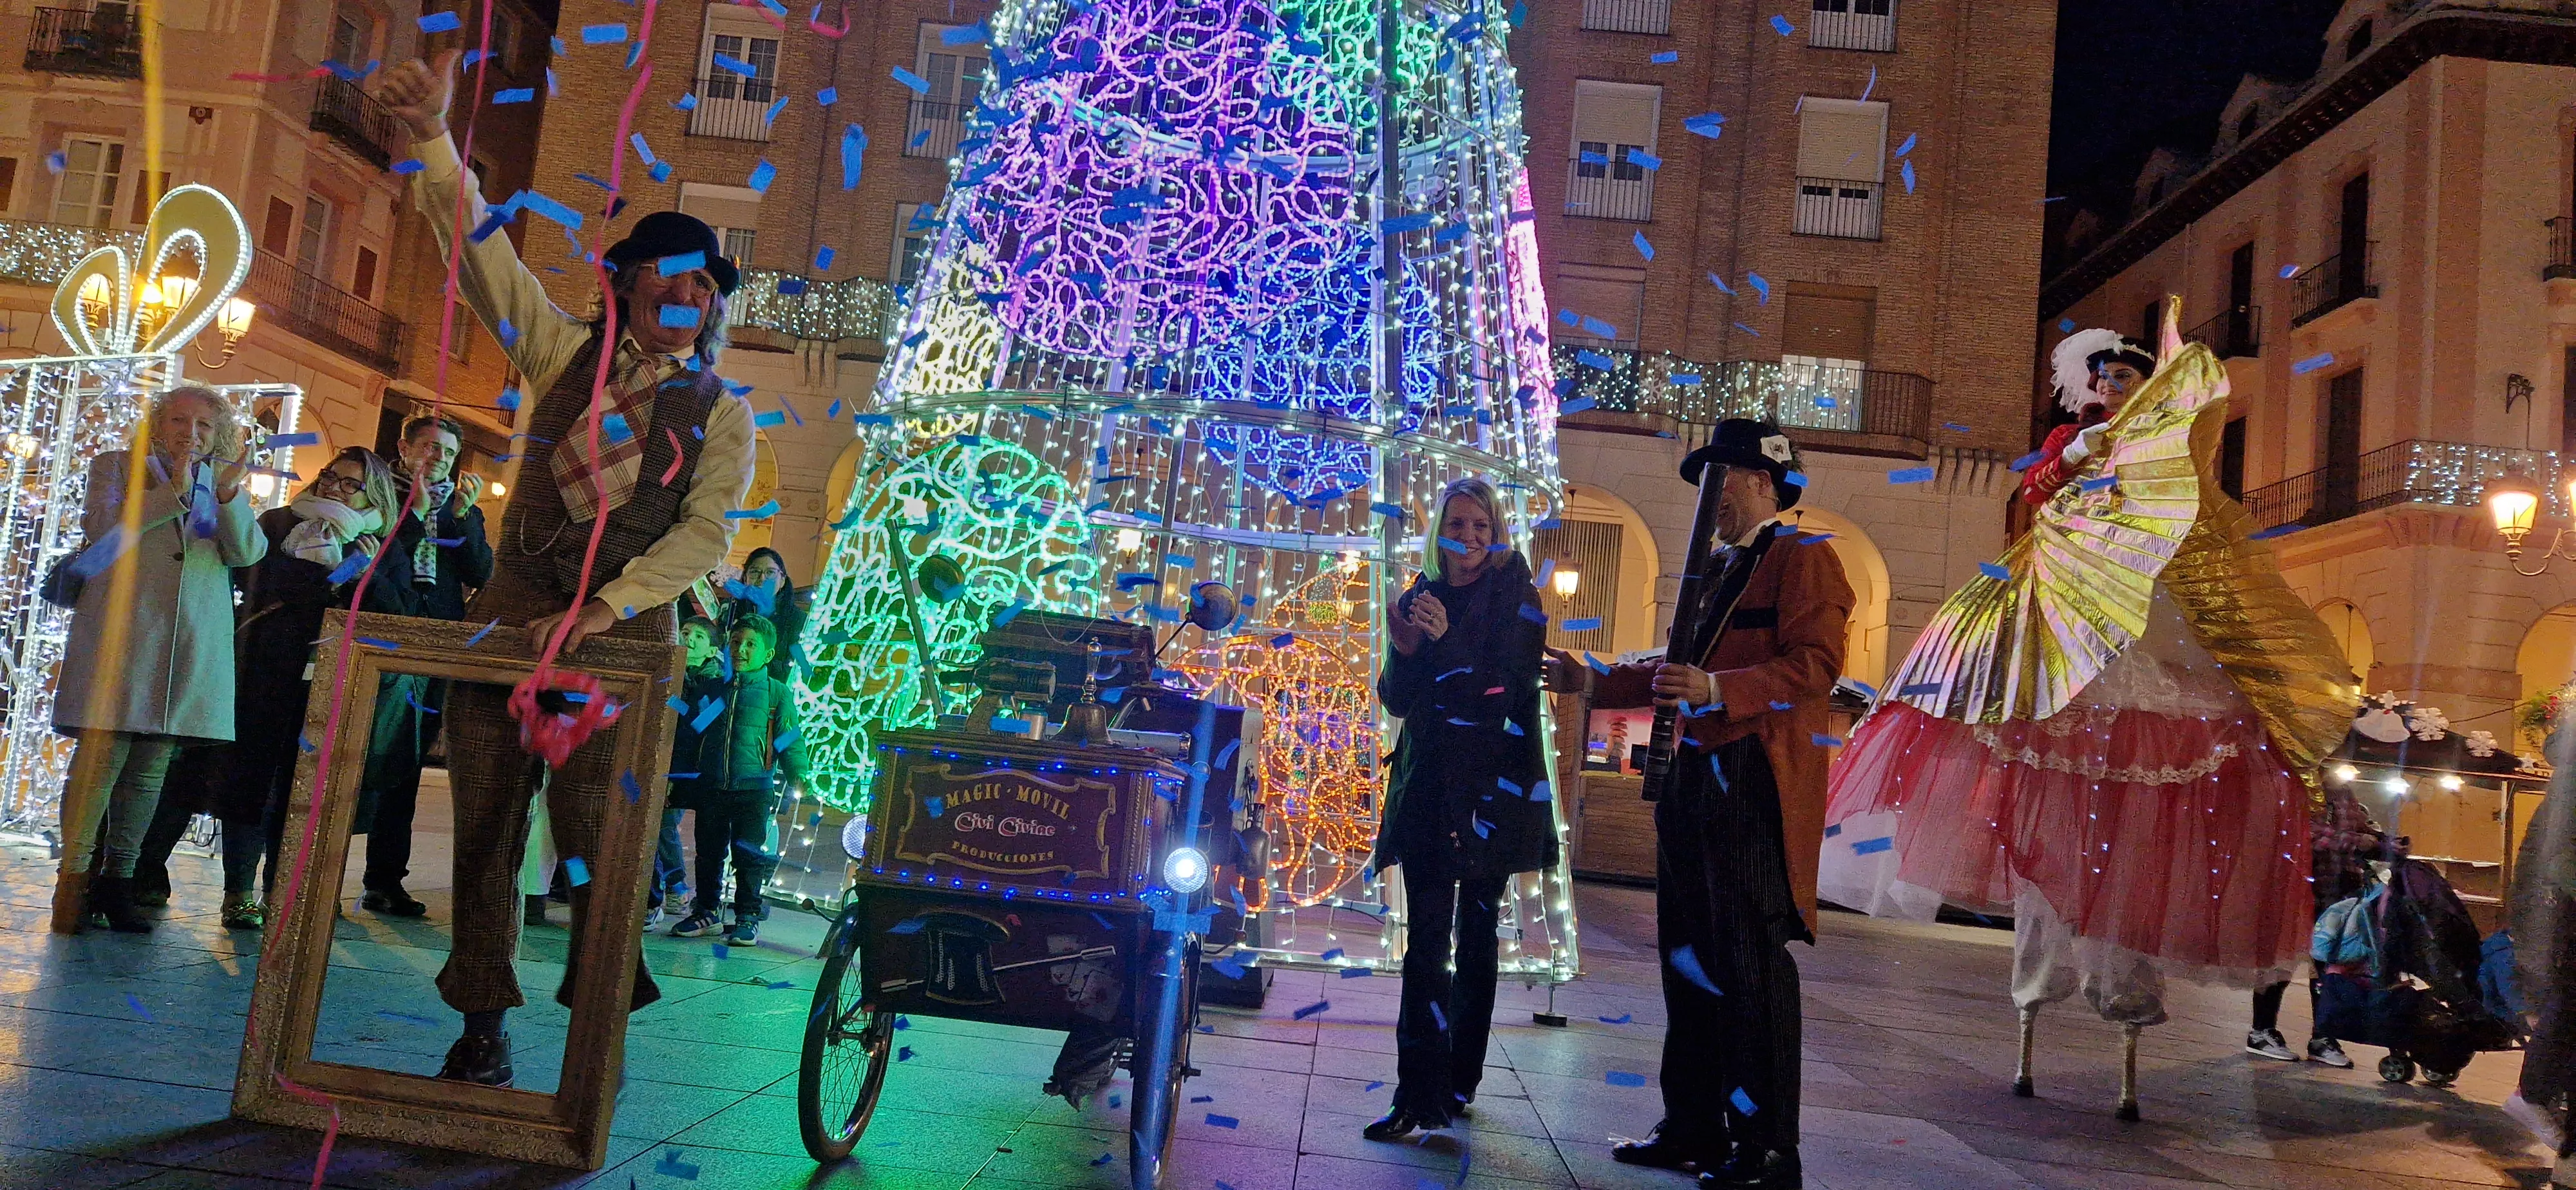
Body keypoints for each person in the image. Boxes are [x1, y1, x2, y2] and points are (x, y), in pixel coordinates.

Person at [1818, 310, 2353, 1121]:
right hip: (2066, 611)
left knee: (2136, 840)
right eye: (2102, 377)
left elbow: (2188, 508)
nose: (2110, 385)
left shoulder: (2168, 449)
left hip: (2153, 613)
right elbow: (2037, 493)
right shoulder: (2073, 442)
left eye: (2124, 376)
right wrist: (2073, 459)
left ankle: (2124, 1017)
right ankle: (2034, 1007)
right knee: (2051, 795)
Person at [380, 50, 757, 1086]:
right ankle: (481, 1025)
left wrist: (606, 607)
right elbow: (482, 260)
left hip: (622, 644)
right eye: (667, 275)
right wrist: (434, 138)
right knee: (486, 829)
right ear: (626, 284)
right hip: (509, 622)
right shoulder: (557, 355)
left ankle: (597, 1030)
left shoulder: (723, 413)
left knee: (603, 839)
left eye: (702, 283)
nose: (685, 293)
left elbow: (704, 537)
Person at [1544, 419, 1853, 1189]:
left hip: (1750, 776)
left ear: (1759, 482)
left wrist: (1718, 688)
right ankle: (1693, 1128)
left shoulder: (1804, 555)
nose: (1708, 499)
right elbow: (1672, 665)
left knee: (1748, 963)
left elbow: (1815, 666)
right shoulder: (1716, 568)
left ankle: (1767, 1148)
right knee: (1687, 959)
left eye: (1719, 481)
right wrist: (1591, 678)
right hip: (1693, 777)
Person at [129, 447, 412, 929]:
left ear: (374, 497)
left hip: (328, 682)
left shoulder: (382, 545)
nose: (334, 487)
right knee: (226, 778)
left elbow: (396, 613)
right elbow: (255, 579)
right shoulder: (280, 523)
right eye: (331, 476)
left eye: (351, 485)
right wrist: (337, 573)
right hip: (257, 670)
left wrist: (360, 572)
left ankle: (284, 889)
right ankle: (193, 881)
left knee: (297, 793)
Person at [1363, 476, 1555, 1141]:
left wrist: (1444, 642)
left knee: (1475, 941)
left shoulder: (1518, 598)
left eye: (1481, 525)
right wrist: (1404, 648)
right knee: (1424, 944)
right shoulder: (1421, 595)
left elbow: (1501, 695)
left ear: (1496, 533)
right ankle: (1415, 1093)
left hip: (1490, 795)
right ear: (1438, 532)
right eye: (1457, 524)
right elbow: (1397, 699)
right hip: (1427, 790)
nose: (1468, 537)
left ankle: (1457, 1080)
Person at [50, 386, 267, 934]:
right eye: (178, 420)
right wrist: (170, 489)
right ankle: (72, 884)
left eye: (203, 425)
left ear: (218, 434)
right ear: (157, 424)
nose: (190, 433)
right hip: (122, 636)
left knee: (149, 772)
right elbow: (103, 529)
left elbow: (247, 553)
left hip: (187, 641)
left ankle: (119, 883)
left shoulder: (220, 482)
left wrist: (229, 495)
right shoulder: (117, 466)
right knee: (100, 764)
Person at [354, 413, 495, 916]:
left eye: (449, 453)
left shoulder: (459, 508)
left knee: (406, 766)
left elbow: (482, 572)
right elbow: (381, 558)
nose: (439, 459)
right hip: (381, 645)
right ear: (404, 447)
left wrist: (462, 517)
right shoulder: (378, 497)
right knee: (358, 759)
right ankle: (319, 871)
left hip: (435, 649)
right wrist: (414, 514)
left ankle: (385, 879)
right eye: (431, 447)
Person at [670, 614, 805, 945]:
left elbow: (789, 738)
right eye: (735, 642)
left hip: (754, 789)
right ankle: (706, 911)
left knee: (749, 855)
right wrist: (678, 774)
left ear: (767, 654)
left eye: (750, 645)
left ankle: (747, 915)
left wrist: (798, 774)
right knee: (708, 853)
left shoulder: (776, 693)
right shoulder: (712, 689)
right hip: (713, 786)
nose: (741, 650)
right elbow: (691, 735)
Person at [2245, 783, 2379, 1066]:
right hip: (2291, 889)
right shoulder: (2292, 785)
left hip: (2336, 894)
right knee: (2280, 961)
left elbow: (2360, 828)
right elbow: (2307, 833)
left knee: (2329, 967)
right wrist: (2360, 841)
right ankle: (2262, 1031)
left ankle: (2323, 1037)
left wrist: (2385, 842)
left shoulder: (2342, 792)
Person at [649, 616, 724, 929]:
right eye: (685, 632)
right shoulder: (668, 672)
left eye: (699, 637)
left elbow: (701, 722)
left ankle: (677, 887)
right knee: (651, 826)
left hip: (690, 768)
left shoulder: (717, 683)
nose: (689, 639)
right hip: (658, 759)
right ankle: (657, 895)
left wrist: (673, 701)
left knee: (664, 824)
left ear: (712, 651)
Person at [724, 547, 806, 680]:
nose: (762, 578)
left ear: (782, 580)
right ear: (745, 578)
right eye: (755, 572)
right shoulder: (730, 610)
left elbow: (795, 669)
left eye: (770, 572)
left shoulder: (798, 620)